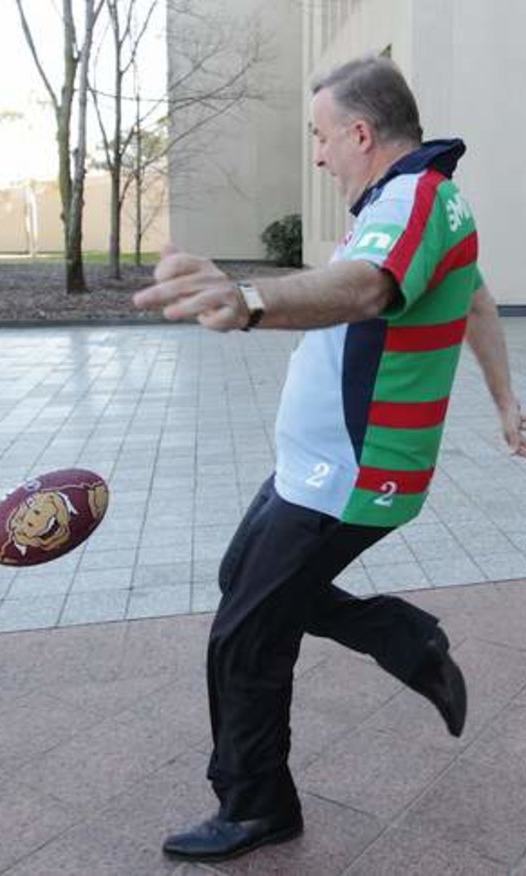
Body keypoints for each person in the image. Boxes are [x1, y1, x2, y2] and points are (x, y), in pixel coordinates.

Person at [133, 56, 526, 864]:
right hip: (318, 464)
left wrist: (248, 301)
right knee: (245, 587)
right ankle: (400, 637)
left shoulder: (416, 197)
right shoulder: (414, 200)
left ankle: (255, 808)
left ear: (359, 131)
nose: (318, 156)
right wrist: (504, 400)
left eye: (321, 137)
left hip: (353, 470)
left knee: (243, 635)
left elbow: (365, 289)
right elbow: (477, 293)